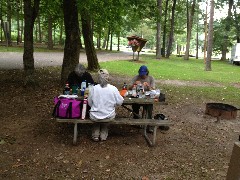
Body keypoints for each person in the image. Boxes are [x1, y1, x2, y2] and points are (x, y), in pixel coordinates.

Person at [88, 69, 124, 141]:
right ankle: (103, 135)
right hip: (109, 115)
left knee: (97, 117)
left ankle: (95, 135)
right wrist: (113, 105)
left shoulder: (93, 88)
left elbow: (89, 103)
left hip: (94, 116)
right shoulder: (113, 89)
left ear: (98, 78)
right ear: (108, 77)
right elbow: (120, 102)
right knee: (105, 117)